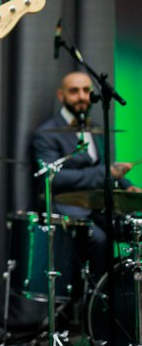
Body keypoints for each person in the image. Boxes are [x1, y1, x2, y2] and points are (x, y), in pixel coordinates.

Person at [30, 71, 140, 283]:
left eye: (86, 90)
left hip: (99, 205)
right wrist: (105, 173)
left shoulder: (96, 128)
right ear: (61, 95)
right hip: (67, 208)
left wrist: (127, 186)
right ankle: (95, 296)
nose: (81, 96)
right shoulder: (46, 134)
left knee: (133, 226)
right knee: (99, 240)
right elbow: (54, 178)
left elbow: (105, 168)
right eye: (74, 91)